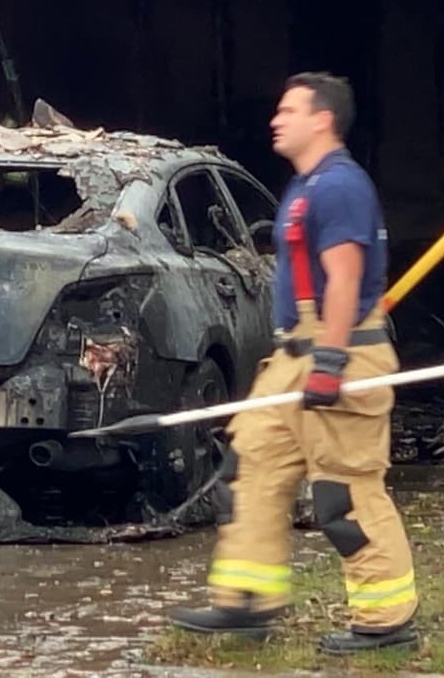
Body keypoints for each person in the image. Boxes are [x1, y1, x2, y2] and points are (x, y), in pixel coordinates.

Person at [167, 72, 419, 655]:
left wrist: (330, 361)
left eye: (289, 110)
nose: (276, 119)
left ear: (322, 119)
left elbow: (346, 276)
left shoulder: (338, 188)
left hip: (340, 351)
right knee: (248, 470)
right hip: (290, 357)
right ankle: (246, 602)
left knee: (344, 493)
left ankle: (386, 619)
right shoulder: (307, 186)